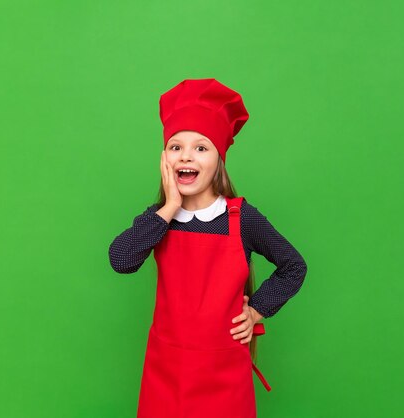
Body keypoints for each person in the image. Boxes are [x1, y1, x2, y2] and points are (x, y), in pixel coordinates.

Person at [108, 78, 307, 418]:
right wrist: (169, 207)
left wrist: (257, 310)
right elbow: (121, 260)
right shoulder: (158, 218)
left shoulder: (241, 218)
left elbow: (294, 266)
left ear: (219, 160)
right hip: (166, 371)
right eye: (176, 147)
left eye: (201, 147)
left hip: (224, 372)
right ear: (164, 159)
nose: (187, 155)